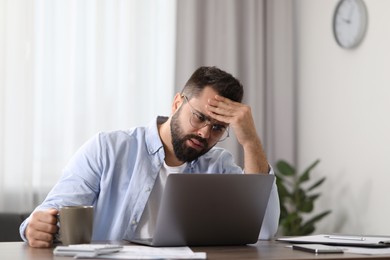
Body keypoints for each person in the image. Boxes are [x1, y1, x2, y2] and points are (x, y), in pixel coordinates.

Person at [20, 66, 280, 248]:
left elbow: (263, 230)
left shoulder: (219, 165)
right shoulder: (107, 149)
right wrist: (36, 226)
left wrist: (250, 140)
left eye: (217, 128)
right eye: (200, 117)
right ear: (177, 103)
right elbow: (48, 214)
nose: (204, 133)